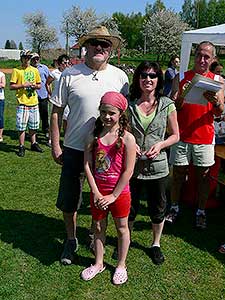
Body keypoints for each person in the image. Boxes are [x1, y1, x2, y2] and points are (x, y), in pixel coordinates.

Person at [50, 26, 129, 265]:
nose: (100, 47)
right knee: (70, 198)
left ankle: (101, 238)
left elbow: (126, 114)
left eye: (105, 44)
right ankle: (71, 239)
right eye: (95, 43)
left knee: (110, 197)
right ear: (87, 46)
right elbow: (56, 111)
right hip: (74, 148)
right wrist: (56, 145)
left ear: (110, 49)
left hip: (110, 150)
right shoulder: (70, 74)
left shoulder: (120, 77)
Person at [166, 41, 224, 229]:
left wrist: (216, 102)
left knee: (204, 176)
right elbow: (173, 108)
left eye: (207, 56)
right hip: (181, 135)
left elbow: (220, 112)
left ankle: (201, 211)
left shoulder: (218, 80)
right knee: (178, 175)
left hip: (205, 136)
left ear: (213, 59)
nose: (202, 59)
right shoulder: (181, 76)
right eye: (199, 54)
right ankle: (174, 207)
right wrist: (180, 98)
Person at [81, 92, 136, 284]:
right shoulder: (93, 135)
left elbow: (128, 171)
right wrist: (95, 191)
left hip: (119, 194)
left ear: (121, 113)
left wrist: (114, 195)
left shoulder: (128, 139)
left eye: (111, 113)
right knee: (98, 226)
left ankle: (121, 264)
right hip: (98, 192)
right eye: (103, 112)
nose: (107, 117)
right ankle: (98, 263)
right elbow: (87, 165)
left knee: (122, 228)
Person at [127, 61, 179, 265]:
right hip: (132, 167)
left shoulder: (167, 104)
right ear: (138, 79)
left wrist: (160, 145)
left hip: (158, 167)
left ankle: (155, 244)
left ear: (158, 80)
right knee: (129, 207)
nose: (148, 79)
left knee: (158, 208)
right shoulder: (129, 103)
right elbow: (121, 131)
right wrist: (130, 144)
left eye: (152, 76)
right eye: (143, 75)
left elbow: (176, 135)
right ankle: (127, 239)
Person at [10, 50, 43, 157]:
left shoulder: (35, 70)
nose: (27, 60)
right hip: (23, 102)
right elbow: (11, 86)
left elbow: (39, 85)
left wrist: (34, 86)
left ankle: (34, 143)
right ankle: (21, 146)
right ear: (21, 58)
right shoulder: (17, 70)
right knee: (21, 126)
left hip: (33, 102)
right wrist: (23, 85)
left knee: (34, 125)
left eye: (29, 58)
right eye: (25, 57)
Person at [46, 54, 70, 135]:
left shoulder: (70, 73)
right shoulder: (54, 73)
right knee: (56, 119)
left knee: (66, 119)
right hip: (56, 99)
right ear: (60, 64)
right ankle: (51, 138)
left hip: (67, 99)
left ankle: (66, 137)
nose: (66, 65)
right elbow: (47, 83)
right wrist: (50, 94)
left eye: (68, 63)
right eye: (64, 63)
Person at [30, 53, 50, 141]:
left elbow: (48, 82)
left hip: (43, 95)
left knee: (44, 114)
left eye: (37, 58)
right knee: (33, 116)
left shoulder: (44, 68)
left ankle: (46, 130)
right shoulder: (28, 68)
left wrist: (49, 93)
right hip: (31, 96)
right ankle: (34, 132)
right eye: (34, 59)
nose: (36, 60)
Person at [0, 70, 6, 142]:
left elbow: (3, 85)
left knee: (0, 117)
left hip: (0, 99)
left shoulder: (1, 74)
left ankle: (0, 135)